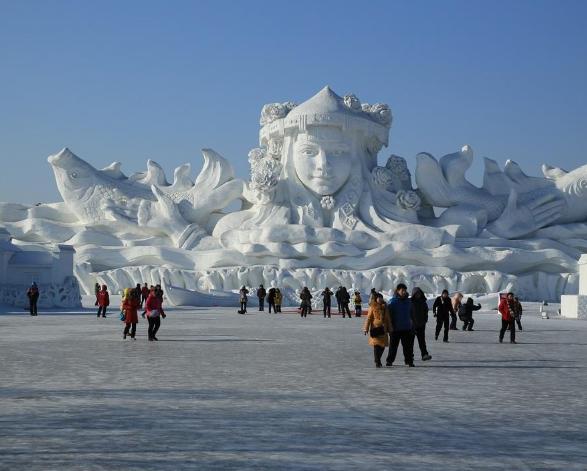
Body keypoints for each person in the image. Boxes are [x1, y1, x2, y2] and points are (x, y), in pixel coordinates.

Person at [386, 283, 415, 367]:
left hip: (406, 328)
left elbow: (412, 313)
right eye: (402, 290)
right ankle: (389, 361)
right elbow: (388, 316)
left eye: (405, 290)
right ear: (398, 291)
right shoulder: (393, 302)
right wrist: (389, 327)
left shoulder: (409, 301)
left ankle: (409, 361)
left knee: (407, 347)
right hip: (395, 329)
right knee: (393, 346)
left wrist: (413, 324)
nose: (404, 292)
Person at [363, 293, 392, 367]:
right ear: (376, 299)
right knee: (376, 345)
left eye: (381, 298)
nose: (380, 299)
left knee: (382, 346)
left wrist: (390, 329)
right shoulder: (372, 307)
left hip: (384, 329)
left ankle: (377, 359)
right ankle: (377, 361)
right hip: (375, 329)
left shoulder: (385, 307)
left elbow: (388, 319)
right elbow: (369, 318)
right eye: (379, 298)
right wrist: (366, 328)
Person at [410, 287, 432, 361]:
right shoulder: (410, 302)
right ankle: (410, 355)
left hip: (421, 325)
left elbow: (426, 311)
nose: (418, 295)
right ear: (413, 294)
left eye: (419, 293)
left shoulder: (423, 302)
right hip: (412, 325)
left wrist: (425, 320)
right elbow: (408, 313)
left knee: (422, 341)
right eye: (416, 294)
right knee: (410, 342)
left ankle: (424, 354)